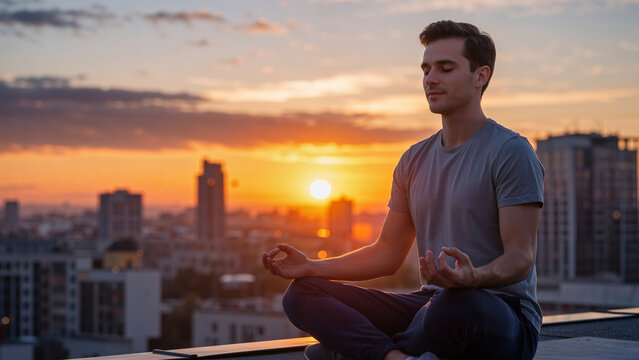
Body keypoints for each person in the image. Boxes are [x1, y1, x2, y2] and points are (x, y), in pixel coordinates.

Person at [262, 20, 544, 360]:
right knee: (302, 295)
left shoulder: (511, 152)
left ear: (480, 76)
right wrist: (311, 266)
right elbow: (387, 253)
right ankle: (393, 357)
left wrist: (474, 277)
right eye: (426, 69)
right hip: (431, 304)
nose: (430, 79)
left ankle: (356, 351)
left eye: (445, 68)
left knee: (453, 306)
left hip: (500, 314)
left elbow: (520, 258)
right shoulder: (414, 160)